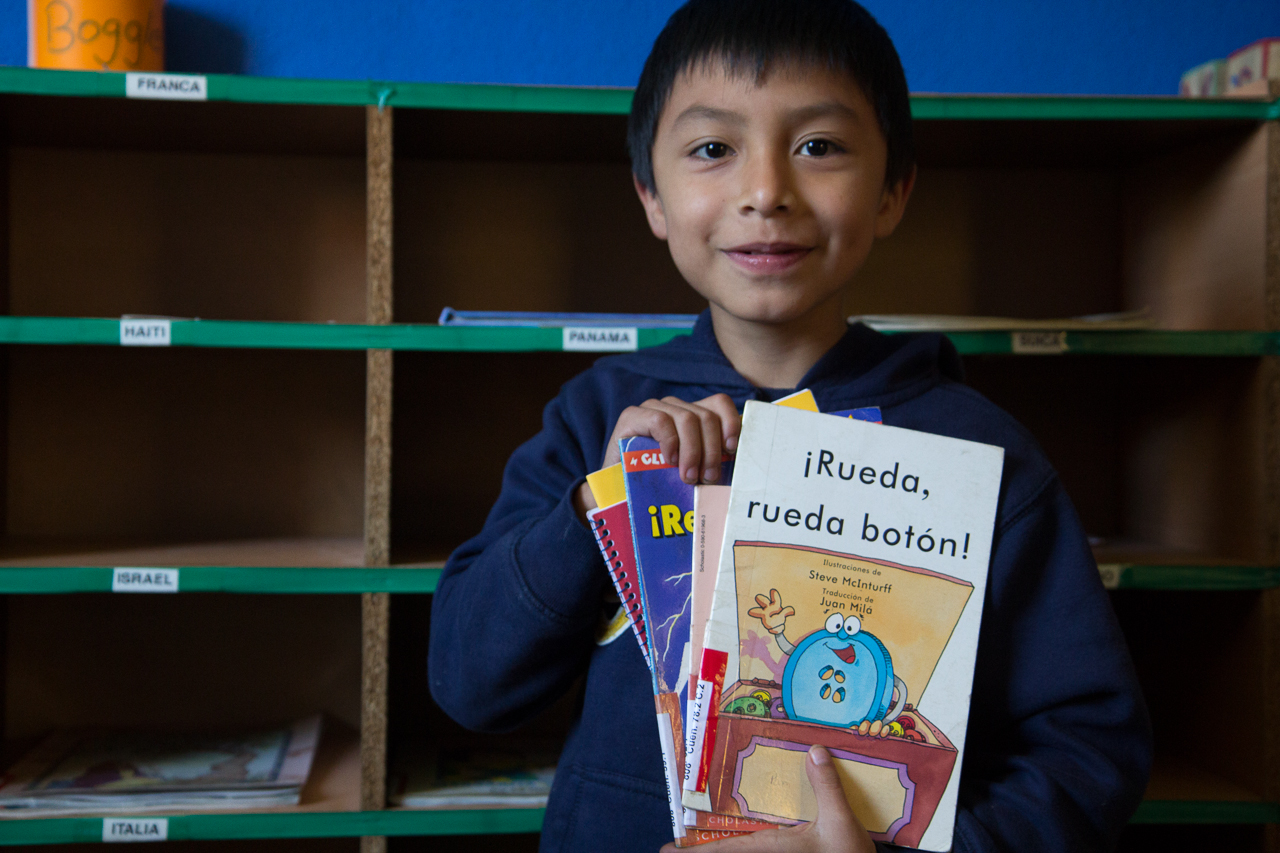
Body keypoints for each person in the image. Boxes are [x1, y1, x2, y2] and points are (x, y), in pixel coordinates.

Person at [429, 0, 1152, 850]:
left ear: (893, 192)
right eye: (713, 149)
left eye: (819, 146)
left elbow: (1089, 748)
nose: (766, 192)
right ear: (651, 196)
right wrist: (601, 502)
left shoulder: (978, 453)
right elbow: (468, 683)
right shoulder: (598, 419)